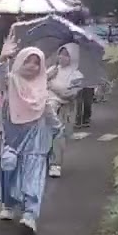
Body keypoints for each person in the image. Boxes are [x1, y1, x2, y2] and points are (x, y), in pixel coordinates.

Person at [0, 47, 60, 235]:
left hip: (35, 136)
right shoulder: (10, 81)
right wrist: (3, 57)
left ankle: (30, 214)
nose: (32, 66)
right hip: (12, 135)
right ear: (19, 61)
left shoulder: (41, 86)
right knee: (9, 169)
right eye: (28, 61)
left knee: (33, 172)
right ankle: (8, 203)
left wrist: (56, 127)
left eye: (37, 63)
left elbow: (46, 109)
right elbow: (1, 73)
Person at [46, 43, 84, 179]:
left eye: (66, 55)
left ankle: (55, 164)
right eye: (60, 54)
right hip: (45, 108)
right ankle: (45, 161)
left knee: (58, 137)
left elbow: (69, 94)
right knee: (44, 136)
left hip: (63, 110)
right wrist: (48, 77)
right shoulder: (52, 70)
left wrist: (51, 86)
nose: (62, 57)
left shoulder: (77, 75)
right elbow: (40, 84)